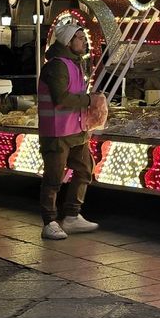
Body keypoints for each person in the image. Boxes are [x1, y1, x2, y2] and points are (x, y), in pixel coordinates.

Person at [38, 24, 106, 241]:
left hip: (77, 129)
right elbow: (61, 99)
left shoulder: (74, 64)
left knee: (85, 169)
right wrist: (89, 100)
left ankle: (72, 215)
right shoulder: (57, 66)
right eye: (79, 38)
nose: (84, 41)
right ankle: (49, 221)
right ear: (68, 42)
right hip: (57, 132)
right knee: (54, 177)